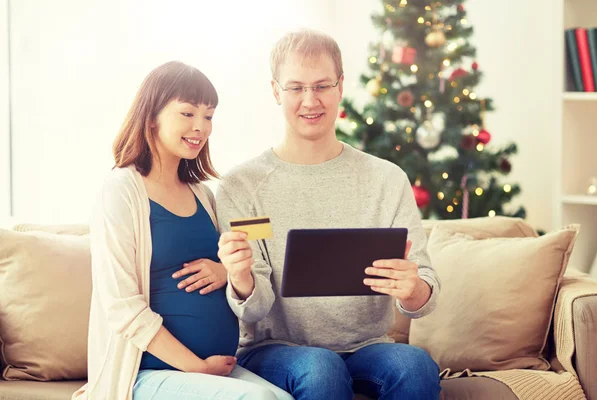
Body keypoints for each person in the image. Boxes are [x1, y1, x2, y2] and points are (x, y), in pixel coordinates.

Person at [214, 29, 442, 400]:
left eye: (322, 86)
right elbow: (254, 312)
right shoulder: (241, 186)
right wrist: (240, 278)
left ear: (340, 87)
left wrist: (413, 288)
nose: (310, 100)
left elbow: (424, 297)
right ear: (276, 91)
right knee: (321, 369)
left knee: (415, 365)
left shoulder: (385, 179)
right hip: (275, 351)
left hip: (368, 346)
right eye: (296, 88)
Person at [72, 61, 293, 400]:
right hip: (146, 373)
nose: (201, 127)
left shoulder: (202, 194)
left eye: (208, 116)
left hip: (212, 370)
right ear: (152, 117)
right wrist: (195, 366)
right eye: (188, 114)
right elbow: (121, 307)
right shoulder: (121, 190)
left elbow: (232, 270)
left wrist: (226, 271)